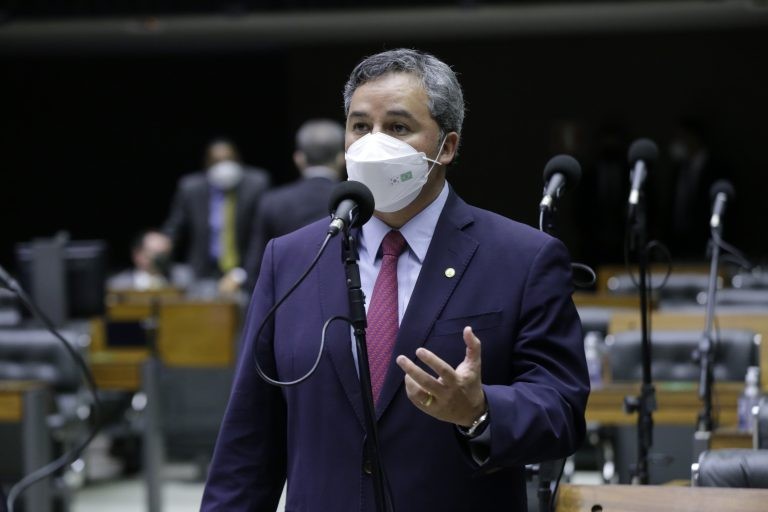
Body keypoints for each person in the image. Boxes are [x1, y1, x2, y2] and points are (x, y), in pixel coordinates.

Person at [202, 49, 589, 511]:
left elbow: (561, 412)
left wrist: (480, 412)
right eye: (360, 127)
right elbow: (249, 439)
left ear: (446, 146)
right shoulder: (291, 258)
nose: (373, 143)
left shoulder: (522, 258)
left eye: (398, 128)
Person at [243, 118, 346, 286]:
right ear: (342, 158)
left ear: (299, 158)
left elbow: (256, 268)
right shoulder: (354, 201)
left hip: (288, 300)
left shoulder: (272, 202)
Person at [162, 138, 271, 293]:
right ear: (207, 164)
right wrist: (163, 244)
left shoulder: (256, 184)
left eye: (229, 159)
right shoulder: (191, 188)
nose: (224, 166)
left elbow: (261, 233)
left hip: (245, 270)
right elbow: (174, 226)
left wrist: (241, 274)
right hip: (203, 272)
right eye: (217, 161)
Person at [107, 229, 189, 290]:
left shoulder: (182, 279)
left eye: (165, 253)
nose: (162, 259)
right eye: (156, 253)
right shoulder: (117, 286)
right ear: (137, 255)